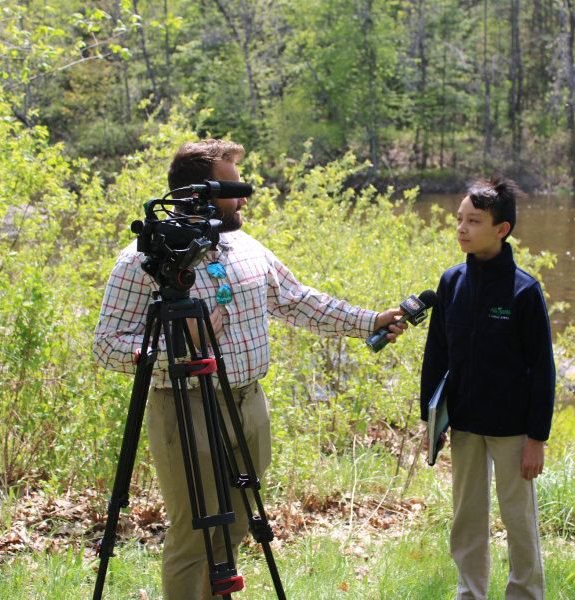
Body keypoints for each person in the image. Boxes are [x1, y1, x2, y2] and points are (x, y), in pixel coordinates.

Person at [93, 139, 407, 600]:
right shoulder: (143, 260)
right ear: (197, 192)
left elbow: (296, 300)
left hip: (248, 402)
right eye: (233, 186)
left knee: (237, 523)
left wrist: (368, 322)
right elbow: (107, 346)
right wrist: (178, 350)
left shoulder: (244, 245)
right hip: (186, 405)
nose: (243, 197)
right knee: (193, 534)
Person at [419, 175, 555, 600]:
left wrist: (537, 438)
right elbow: (436, 357)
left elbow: (543, 371)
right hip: (464, 425)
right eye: (459, 219)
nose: (461, 228)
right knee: (467, 517)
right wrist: (431, 419)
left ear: (502, 229)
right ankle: (470, 593)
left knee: (519, 518)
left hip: (513, 430)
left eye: (473, 221)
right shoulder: (451, 283)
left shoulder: (524, 291)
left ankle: (525, 594)